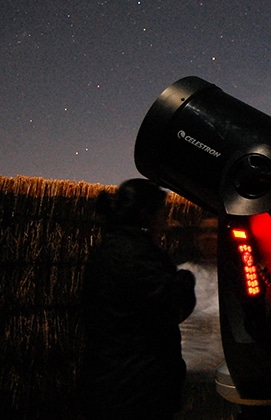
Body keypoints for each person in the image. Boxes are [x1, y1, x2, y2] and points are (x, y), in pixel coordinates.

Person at [81, 179, 197, 419]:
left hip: (112, 383)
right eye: (161, 212)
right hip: (138, 390)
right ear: (146, 214)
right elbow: (171, 308)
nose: (165, 219)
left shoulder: (108, 251)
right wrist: (185, 279)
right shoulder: (138, 257)